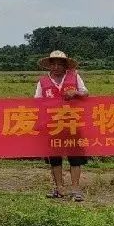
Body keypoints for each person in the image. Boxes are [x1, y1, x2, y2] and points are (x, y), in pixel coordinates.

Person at [36, 50, 90, 201]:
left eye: (60, 64)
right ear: (49, 66)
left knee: (75, 157)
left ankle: (75, 189)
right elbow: (37, 102)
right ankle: (59, 188)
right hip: (52, 125)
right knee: (55, 158)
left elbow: (86, 93)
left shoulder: (74, 77)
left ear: (65, 65)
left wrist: (75, 93)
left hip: (73, 123)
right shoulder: (42, 82)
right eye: (53, 64)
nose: (56, 67)